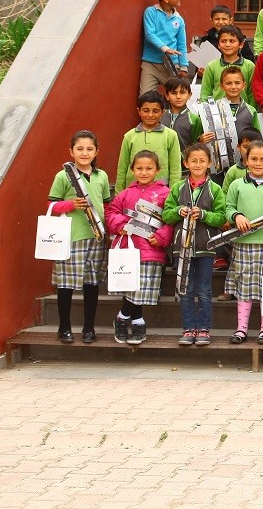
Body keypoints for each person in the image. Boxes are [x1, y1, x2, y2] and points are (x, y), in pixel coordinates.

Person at [47, 131, 110, 344]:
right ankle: (64, 327)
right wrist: (71, 204)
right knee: (66, 284)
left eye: (89, 149)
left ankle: (88, 328)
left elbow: (107, 205)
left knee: (91, 284)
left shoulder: (101, 176)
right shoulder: (64, 176)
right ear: (71, 151)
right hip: (72, 237)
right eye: (80, 149)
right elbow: (51, 205)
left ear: (96, 152)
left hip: (96, 237)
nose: (84, 153)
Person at [105, 150, 173, 346]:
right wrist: (120, 225)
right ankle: (137, 321)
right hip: (129, 248)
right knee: (131, 287)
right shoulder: (125, 193)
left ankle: (122, 316)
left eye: (149, 168)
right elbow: (111, 213)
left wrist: (161, 237)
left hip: (151, 248)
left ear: (158, 170)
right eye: (139, 168)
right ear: (133, 170)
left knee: (142, 288)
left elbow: (170, 220)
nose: (144, 172)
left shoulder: (165, 193)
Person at [162, 144, 227, 346]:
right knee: (185, 289)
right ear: (185, 163)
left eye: (202, 161)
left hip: (205, 247)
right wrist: (178, 211)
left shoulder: (215, 189)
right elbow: (166, 214)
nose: (198, 164)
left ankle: (204, 329)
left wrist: (205, 215)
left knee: (204, 290)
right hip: (182, 248)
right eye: (193, 161)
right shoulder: (177, 188)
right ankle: (189, 328)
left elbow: (222, 218)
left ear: (209, 163)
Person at [224, 140, 263, 345]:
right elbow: (229, 207)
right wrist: (237, 216)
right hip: (243, 244)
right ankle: (241, 329)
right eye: (253, 159)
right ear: (246, 159)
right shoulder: (236, 185)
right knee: (244, 287)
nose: (258, 163)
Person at [116, 90, 182, 193]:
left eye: (155, 111)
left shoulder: (170, 135)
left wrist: (173, 195)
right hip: (132, 191)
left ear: (162, 112)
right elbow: (122, 168)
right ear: (139, 111)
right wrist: (118, 195)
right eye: (146, 110)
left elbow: (175, 169)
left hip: (160, 193)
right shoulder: (129, 136)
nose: (150, 115)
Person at [141, 0, 188, 95]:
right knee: (145, 98)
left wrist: (184, 67)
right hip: (150, 65)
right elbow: (149, 34)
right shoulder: (151, 12)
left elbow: (182, 44)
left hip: (171, 66)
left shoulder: (179, 19)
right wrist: (166, 49)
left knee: (177, 98)